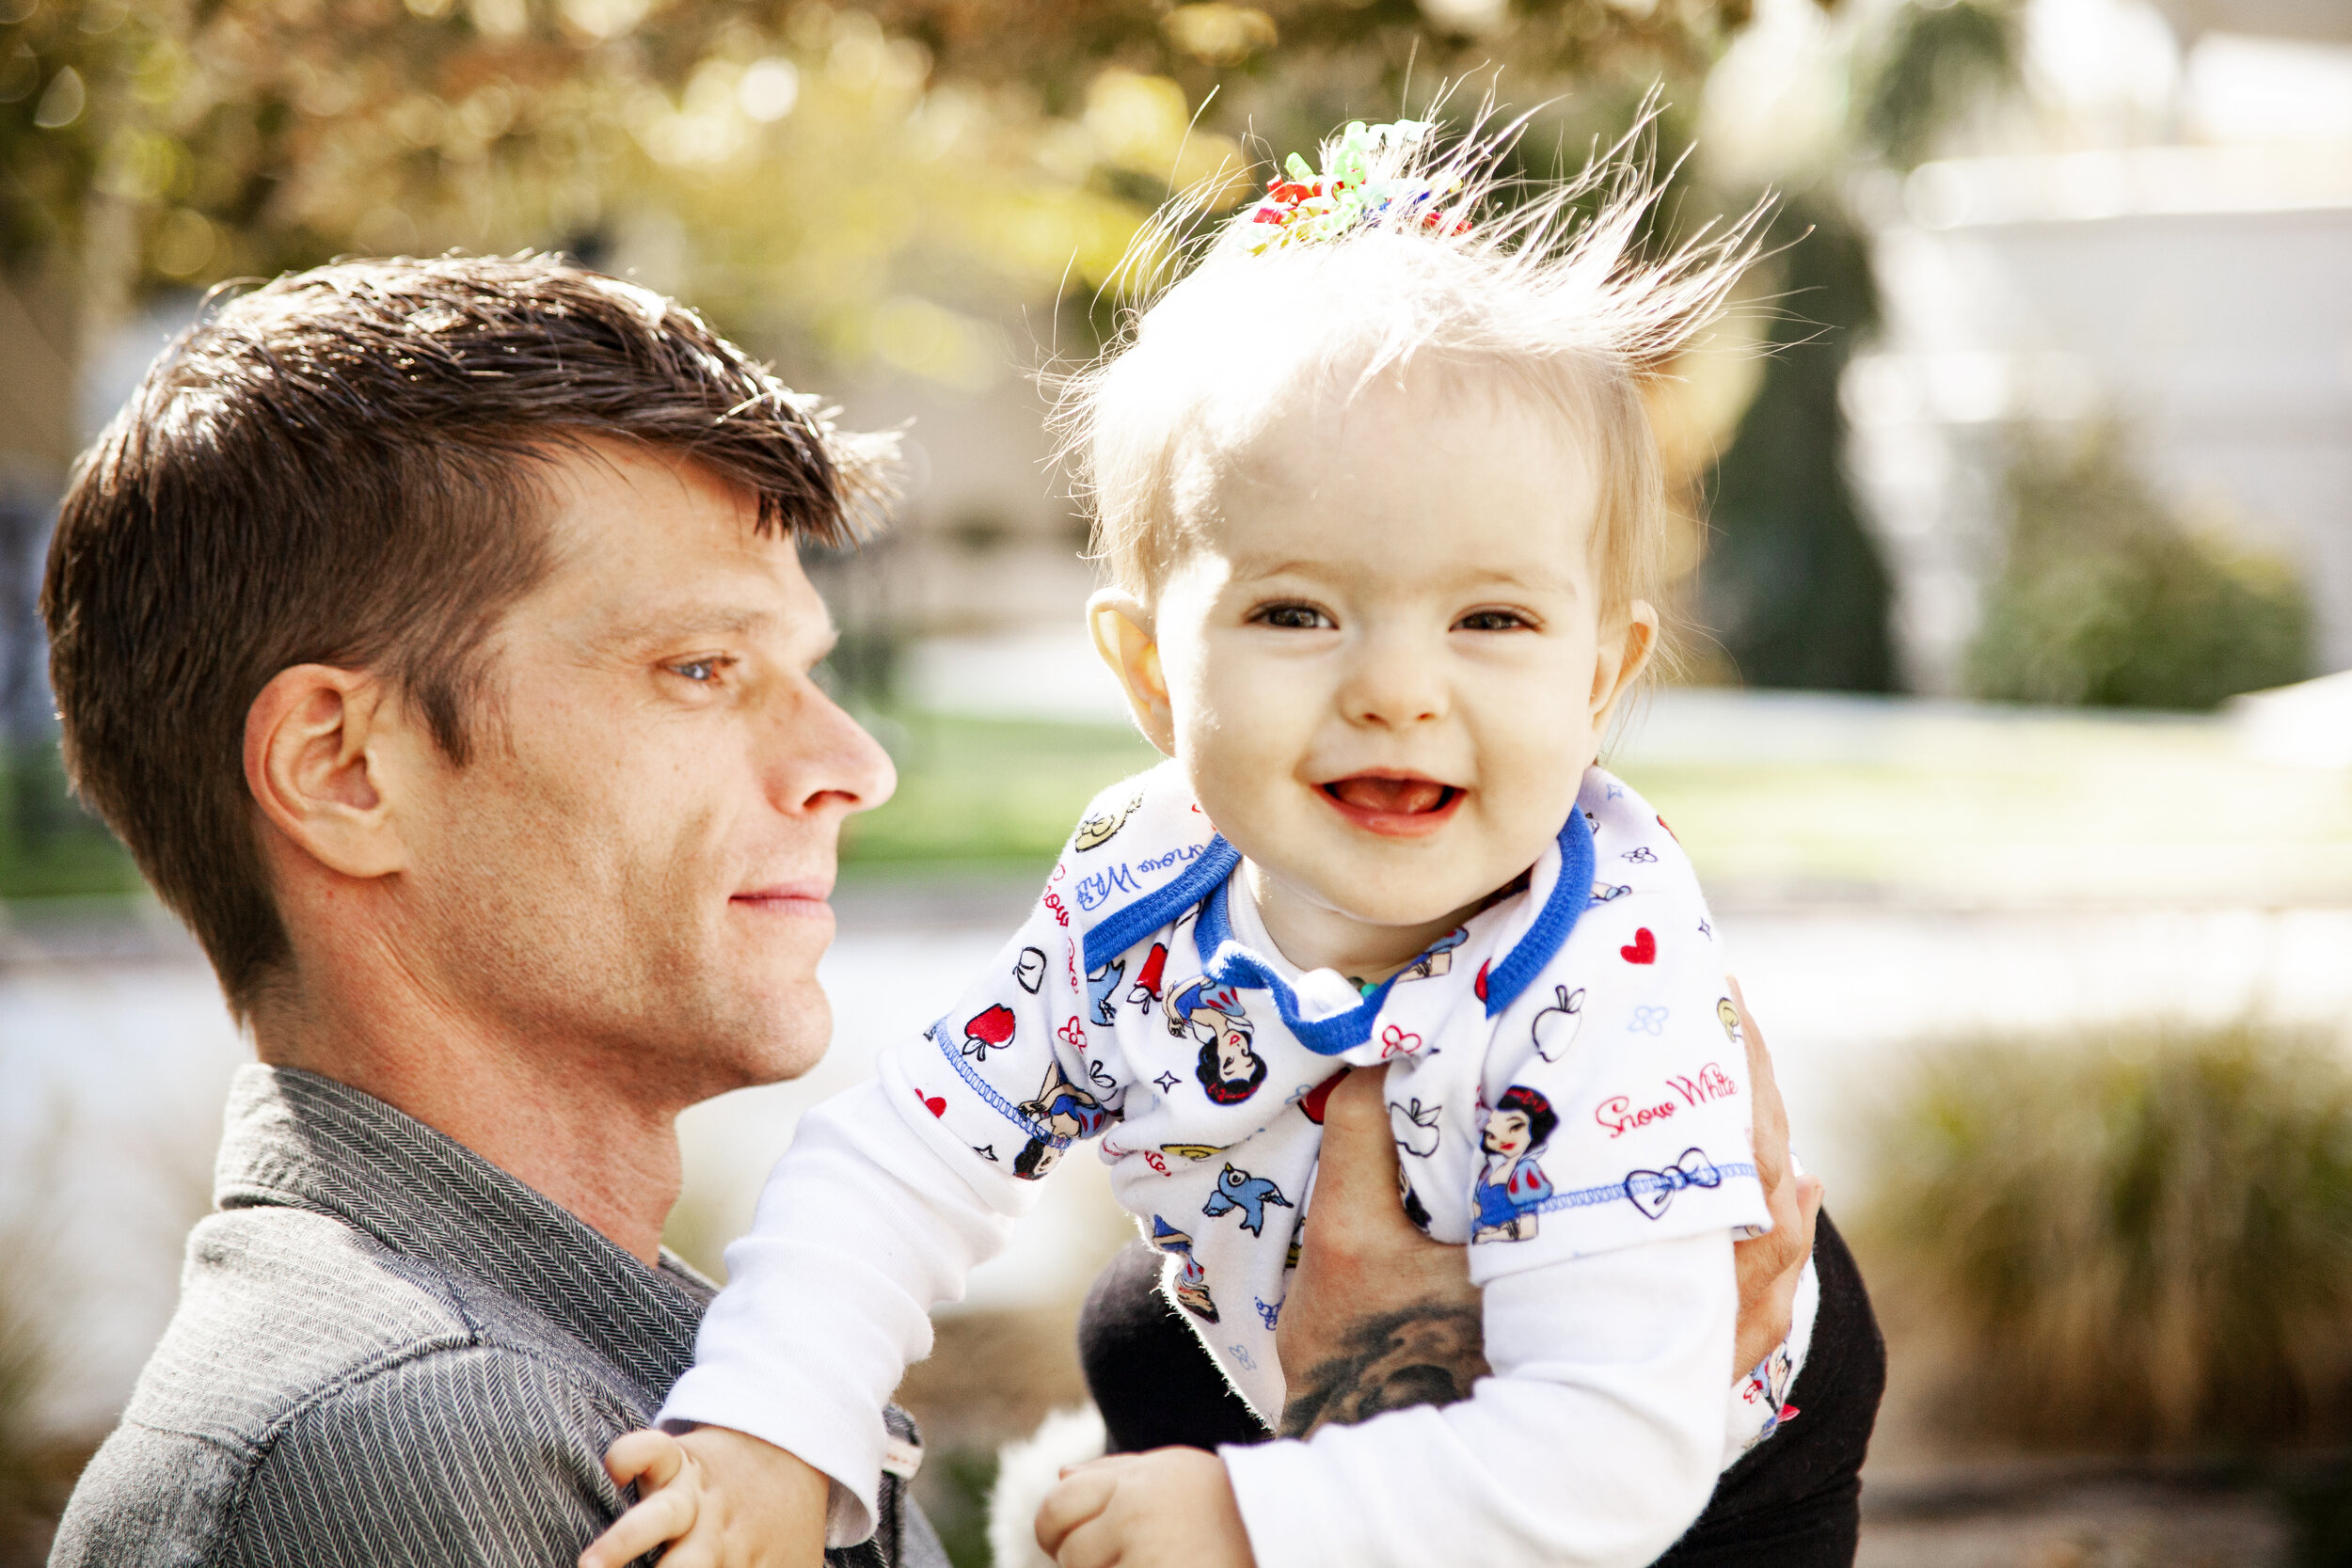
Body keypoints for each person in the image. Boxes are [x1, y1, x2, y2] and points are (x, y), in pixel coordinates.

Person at [589, 117, 1879, 1568]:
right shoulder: (1141, 885)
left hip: (1690, 1464)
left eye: (1492, 619)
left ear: (1598, 674)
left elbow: (1609, 1458)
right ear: (1150, 676)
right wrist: (774, 1426)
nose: (1398, 686)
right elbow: (900, 1157)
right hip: (1275, 1335)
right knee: (1132, 1338)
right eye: (1295, 612)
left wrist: (1257, 1515)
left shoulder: (1598, 977)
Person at [38, 254, 945, 1567]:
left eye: (805, 670)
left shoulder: (628, 1384)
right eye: (701, 668)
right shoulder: (422, 1438)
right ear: (344, 770)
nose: (855, 767)